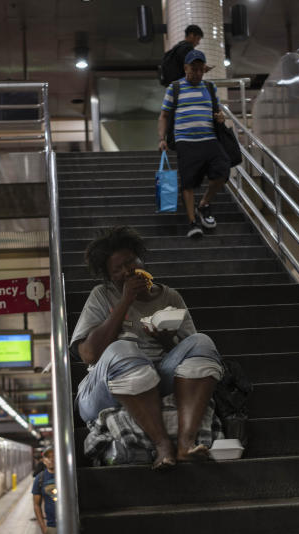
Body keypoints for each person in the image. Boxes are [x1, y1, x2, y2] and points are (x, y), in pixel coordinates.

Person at [70, 226, 223, 468]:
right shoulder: (101, 295)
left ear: (142, 259)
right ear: (109, 277)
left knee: (202, 342)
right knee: (123, 348)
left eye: (130, 262)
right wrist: (125, 301)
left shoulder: (170, 297)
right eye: (117, 270)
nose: (127, 271)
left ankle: (185, 444)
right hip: (103, 388)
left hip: (155, 377)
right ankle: (162, 445)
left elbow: (190, 357)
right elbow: (88, 354)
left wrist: (166, 340)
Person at [158, 49, 229, 238]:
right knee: (188, 183)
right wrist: (161, 139)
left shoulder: (210, 87)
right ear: (185, 68)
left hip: (209, 139)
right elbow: (164, 116)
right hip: (185, 142)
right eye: (193, 69)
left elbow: (218, 111)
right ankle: (192, 223)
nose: (197, 73)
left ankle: (204, 204)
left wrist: (220, 116)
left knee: (222, 171)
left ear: (204, 69)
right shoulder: (174, 88)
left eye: (200, 70)